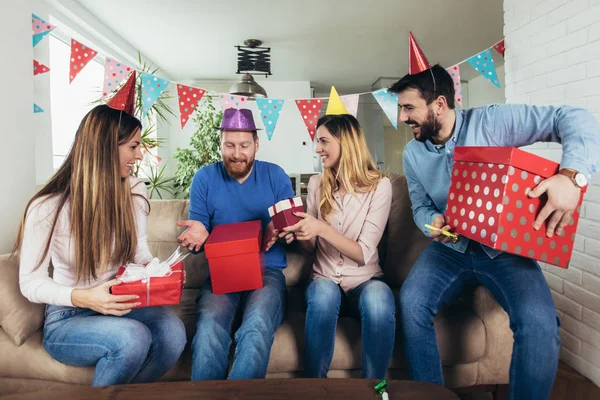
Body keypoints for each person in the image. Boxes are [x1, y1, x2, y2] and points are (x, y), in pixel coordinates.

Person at [390, 64, 600, 399]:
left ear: (439, 105)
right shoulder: (413, 154)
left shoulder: (491, 122)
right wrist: (432, 222)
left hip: (501, 250)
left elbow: (572, 116)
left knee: (540, 325)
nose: (402, 117)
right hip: (449, 250)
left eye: (409, 107)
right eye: (401, 108)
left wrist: (572, 176)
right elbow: (420, 206)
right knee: (411, 302)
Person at [15, 101, 187, 387]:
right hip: (68, 316)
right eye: (133, 146)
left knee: (173, 333)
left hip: (119, 300)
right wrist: (85, 297)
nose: (140, 154)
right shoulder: (47, 207)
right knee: (132, 338)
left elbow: (138, 250)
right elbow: (29, 282)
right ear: (106, 147)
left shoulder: (133, 190)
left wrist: (158, 270)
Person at [279, 94, 396, 379]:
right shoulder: (318, 183)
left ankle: (376, 390)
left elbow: (363, 253)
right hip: (325, 279)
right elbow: (311, 249)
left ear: (345, 143)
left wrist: (321, 228)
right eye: (317, 141)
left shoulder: (380, 186)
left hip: (365, 280)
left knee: (380, 299)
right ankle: (315, 388)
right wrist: (301, 232)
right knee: (321, 295)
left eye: (323, 141)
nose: (317, 148)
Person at [177, 108, 294, 380]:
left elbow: (293, 230)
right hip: (223, 273)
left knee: (256, 325)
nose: (237, 153)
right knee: (208, 326)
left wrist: (280, 228)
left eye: (244, 145)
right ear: (220, 145)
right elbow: (198, 234)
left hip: (268, 272)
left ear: (256, 144)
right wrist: (197, 238)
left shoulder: (275, 176)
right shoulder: (204, 179)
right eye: (229, 145)